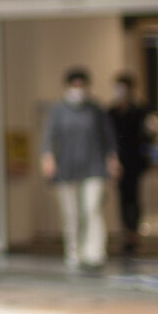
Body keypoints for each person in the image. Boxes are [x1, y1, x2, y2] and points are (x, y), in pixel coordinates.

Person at [40, 67, 118, 273]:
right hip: (66, 167)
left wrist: (112, 158)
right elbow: (49, 136)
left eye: (81, 86)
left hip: (94, 166)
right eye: (74, 86)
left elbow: (108, 136)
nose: (78, 90)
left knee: (92, 209)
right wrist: (47, 157)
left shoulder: (95, 109)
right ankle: (73, 251)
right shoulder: (58, 110)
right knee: (71, 212)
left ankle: (94, 252)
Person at [108, 73, 153, 260]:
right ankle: (126, 233)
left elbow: (147, 136)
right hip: (118, 162)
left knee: (134, 197)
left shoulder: (141, 111)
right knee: (122, 197)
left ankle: (133, 233)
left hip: (135, 162)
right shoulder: (110, 112)